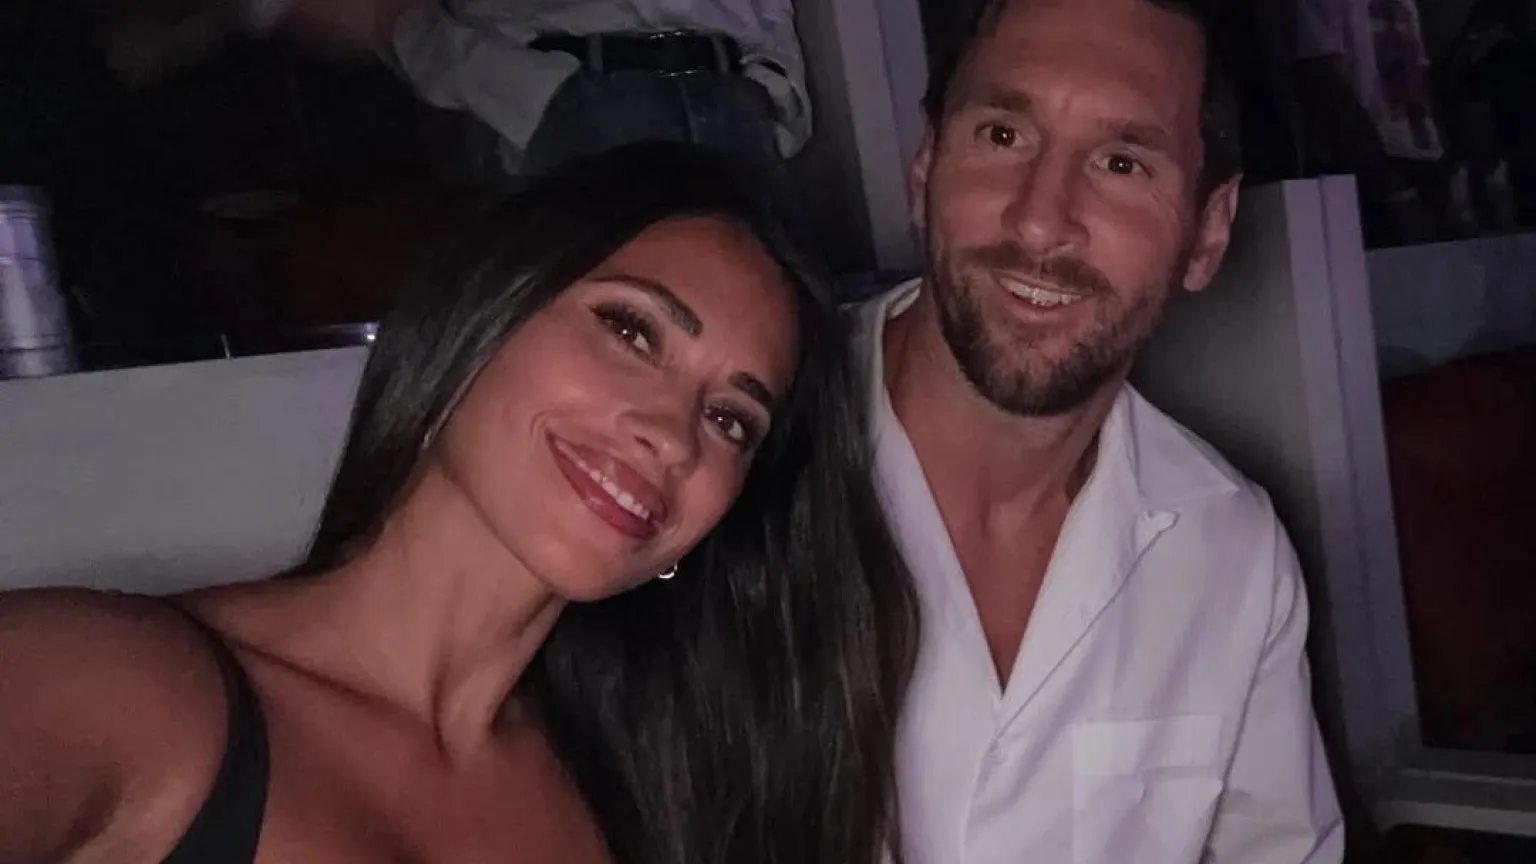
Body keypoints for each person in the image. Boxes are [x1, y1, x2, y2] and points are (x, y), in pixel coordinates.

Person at [0, 142, 917, 864]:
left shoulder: (652, 789)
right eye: (631, 329)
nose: (674, 437)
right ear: (479, 319)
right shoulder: (116, 691)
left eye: (729, 419)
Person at [861, 0, 1345, 860]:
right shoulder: (728, 452)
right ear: (926, 164)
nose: (1041, 221)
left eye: (1122, 163)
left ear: (1208, 230)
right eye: (1003, 136)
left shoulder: (1230, 552)